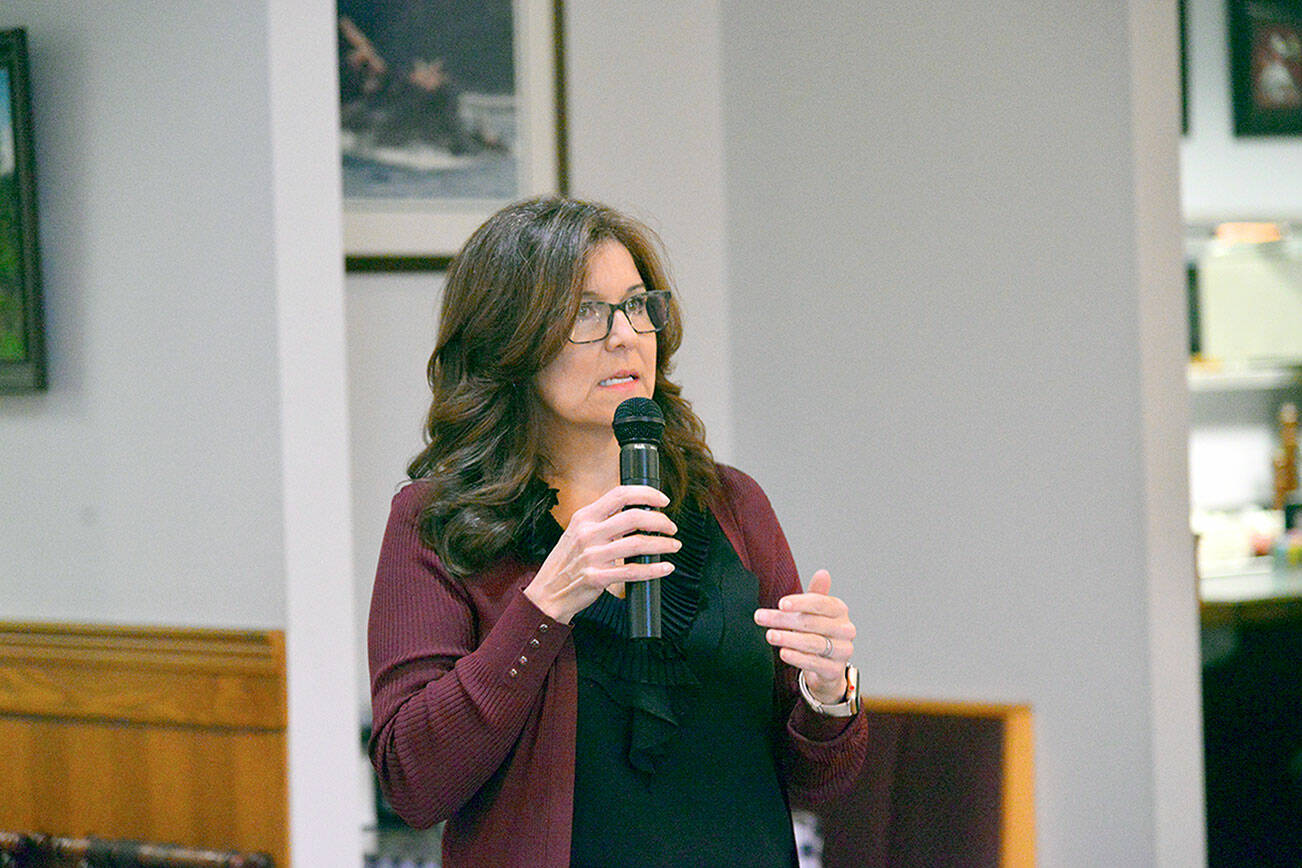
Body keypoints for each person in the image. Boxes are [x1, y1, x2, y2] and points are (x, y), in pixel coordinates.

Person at [368, 197, 869, 867]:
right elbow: (414, 782)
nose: (626, 334)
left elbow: (818, 783)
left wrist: (827, 692)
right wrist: (544, 605)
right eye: (584, 313)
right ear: (506, 341)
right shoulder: (437, 523)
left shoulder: (734, 504)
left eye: (638, 305)